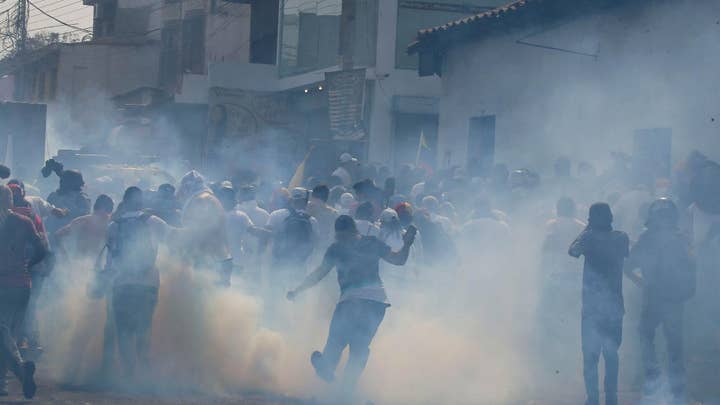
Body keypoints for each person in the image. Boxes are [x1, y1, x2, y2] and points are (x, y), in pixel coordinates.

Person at [287, 216, 417, 394]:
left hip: (356, 302)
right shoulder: (368, 243)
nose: (343, 240)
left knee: (341, 343)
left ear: (349, 232)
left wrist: (298, 290)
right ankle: (343, 388)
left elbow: (320, 273)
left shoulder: (340, 247)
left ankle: (332, 375)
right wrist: (407, 245)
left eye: (343, 236)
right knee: (357, 347)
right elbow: (398, 260)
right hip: (376, 303)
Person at [624, 198, 694, 403]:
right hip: (672, 298)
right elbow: (692, 267)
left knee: (647, 336)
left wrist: (642, 283)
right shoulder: (680, 240)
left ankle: (655, 378)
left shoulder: (647, 239)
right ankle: (675, 388)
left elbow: (628, 267)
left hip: (656, 297)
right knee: (672, 343)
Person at [103, 187, 172, 378]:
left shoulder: (113, 226)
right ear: (141, 202)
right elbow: (175, 238)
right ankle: (144, 374)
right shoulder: (153, 222)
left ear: (124, 203)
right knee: (144, 328)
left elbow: (109, 260)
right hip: (148, 284)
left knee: (124, 331)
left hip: (122, 284)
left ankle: (128, 375)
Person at [569, 203, 629, 405]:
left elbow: (572, 251)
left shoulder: (587, 237)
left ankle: (593, 399)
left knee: (591, 357)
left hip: (592, 309)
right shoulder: (621, 237)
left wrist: (587, 228)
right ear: (611, 218)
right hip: (614, 307)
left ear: (591, 220)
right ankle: (611, 399)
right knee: (611, 354)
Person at [0, 185, 46, 399]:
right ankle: (2, 384)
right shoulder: (24, 221)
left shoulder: (20, 221)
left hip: (6, 285)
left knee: (4, 334)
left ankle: (19, 371)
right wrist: (28, 264)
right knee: (7, 335)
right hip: (22, 285)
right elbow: (43, 249)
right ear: (10, 201)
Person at [45, 169, 92, 240]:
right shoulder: (53, 196)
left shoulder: (81, 198)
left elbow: (85, 216)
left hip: (70, 237)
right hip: (54, 235)